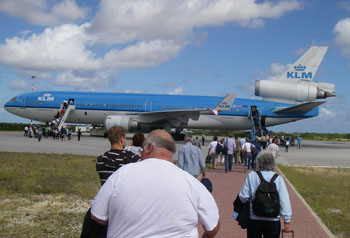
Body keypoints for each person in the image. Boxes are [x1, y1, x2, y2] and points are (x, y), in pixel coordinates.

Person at [90, 130, 220, 238]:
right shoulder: (191, 182)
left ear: (149, 147)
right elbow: (213, 226)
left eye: (141, 149)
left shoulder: (123, 173)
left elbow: (97, 215)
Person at [81, 126, 141, 238]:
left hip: (103, 205)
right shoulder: (133, 158)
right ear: (122, 139)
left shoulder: (100, 159)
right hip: (122, 207)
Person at [239, 151, 292, 238]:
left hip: (255, 218)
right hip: (273, 220)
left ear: (259, 162)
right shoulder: (278, 178)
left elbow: (243, 197)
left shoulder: (252, 175)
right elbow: (284, 200)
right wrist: (287, 220)